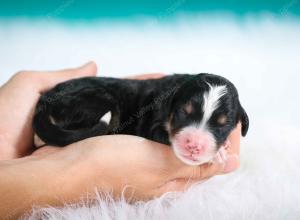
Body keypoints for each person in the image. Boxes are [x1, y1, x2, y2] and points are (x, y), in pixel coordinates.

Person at [0, 62, 241, 219]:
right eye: (184, 116)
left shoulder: (175, 95)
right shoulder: (162, 103)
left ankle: (55, 137)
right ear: (170, 106)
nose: (196, 140)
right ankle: (53, 134)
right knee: (101, 106)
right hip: (66, 106)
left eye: (219, 129)